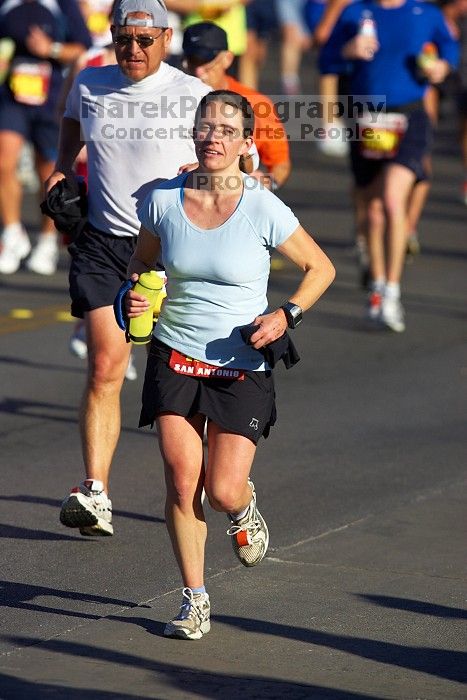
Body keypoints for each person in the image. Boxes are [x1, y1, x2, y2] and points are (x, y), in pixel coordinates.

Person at [125, 89, 335, 639]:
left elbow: (321, 268)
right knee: (179, 480)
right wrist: (138, 294)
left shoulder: (262, 207)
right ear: (194, 135)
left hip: (240, 362)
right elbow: (141, 262)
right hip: (174, 354)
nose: (212, 136)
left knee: (221, 490)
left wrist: (286, 315)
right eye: (205, 126)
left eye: (225, 129)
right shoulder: (164, 201)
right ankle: (194, 599)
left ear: (246, 144)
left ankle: (242, 509)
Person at [49, 0, 210, 537]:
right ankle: (95, 491)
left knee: (187, 383)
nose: (133, 50)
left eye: (145, 40)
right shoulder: (90, 83)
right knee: (103, 368)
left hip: (173, 250)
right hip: (103, 245)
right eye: (124, 38)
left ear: (167, 39)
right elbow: (71, 121)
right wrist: (58, 167)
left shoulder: (193, 95)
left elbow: (246, 155)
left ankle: (220, 480)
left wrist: (210, 167)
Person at [321, 0, 459, 332]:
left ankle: (393, 292)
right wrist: (348, 50)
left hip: (410, 116)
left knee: (393, 199)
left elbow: (450, 47)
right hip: (367, 118)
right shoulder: (355, 12)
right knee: (373, 211)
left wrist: (442, 66)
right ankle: (378, 288)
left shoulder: (425, 13)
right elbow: (327, 59)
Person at [0, 0, 92, 276]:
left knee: (50, 172)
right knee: (3, 161)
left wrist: (50, 49)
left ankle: (47, 240)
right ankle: (12, 232)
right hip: (12, 98)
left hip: (51, 97)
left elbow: (82, 48)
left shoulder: (62, 5)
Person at [182, 21, 291, 189]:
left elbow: (280, 164)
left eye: (206, 61)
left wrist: (265, 182)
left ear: (227, 59)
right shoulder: (170, 99)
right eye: (192, 60)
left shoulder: (256, 104)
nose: (198, 71)